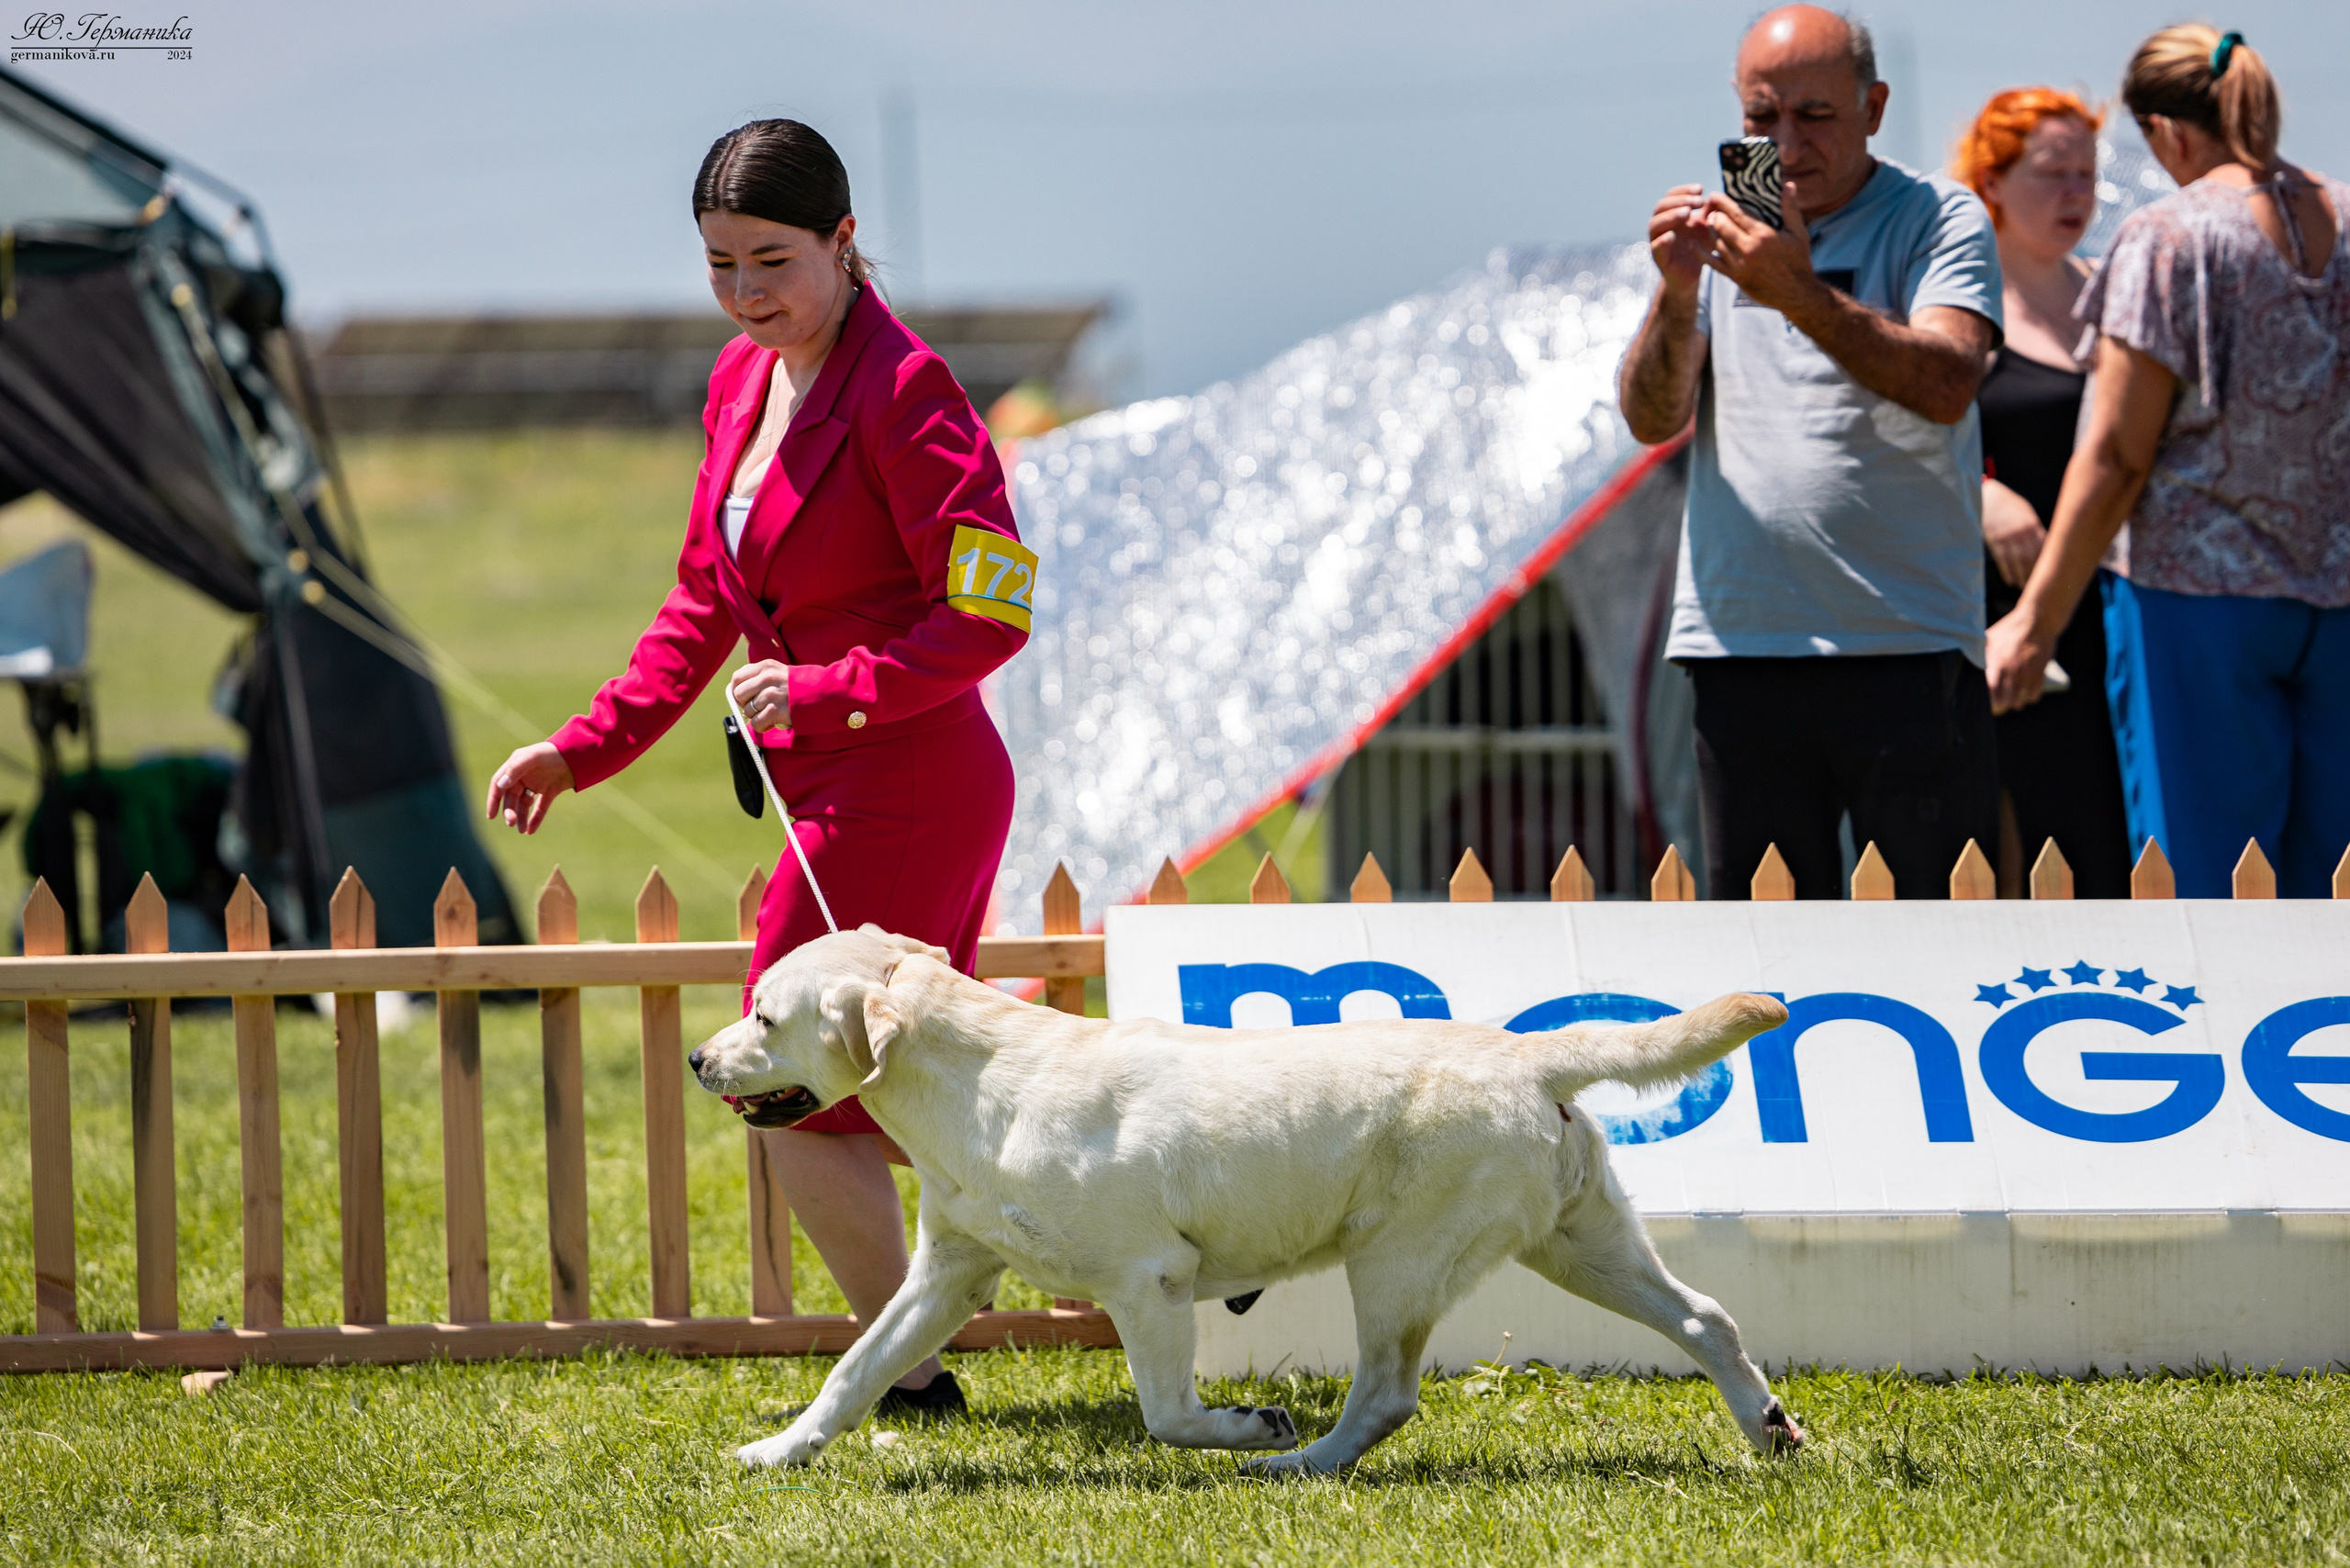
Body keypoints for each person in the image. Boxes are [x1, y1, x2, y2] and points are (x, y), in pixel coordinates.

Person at [485, 119, 1035, 1412]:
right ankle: (1147, 1248)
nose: (744, 295)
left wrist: (832, 693)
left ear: (846, 243)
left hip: (909, 778)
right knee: (903, 1085)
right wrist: (580, 750)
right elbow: (700, 604)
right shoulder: (739, 383)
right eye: (720, 265)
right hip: (833, 781)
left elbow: (992, 613)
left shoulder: (912, 391)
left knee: (786, 1074)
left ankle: (911, 1377)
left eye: (771, 261)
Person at [1619, 4, 2003, 901]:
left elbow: (1947, 382)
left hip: (1905, 643)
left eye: (1815, 116)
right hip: (1740, 643)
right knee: (1762, 965)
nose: (1785, 146)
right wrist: (1676, 297)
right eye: (1760, 119)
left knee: (1932, 940)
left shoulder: (1936, 216)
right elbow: (1651, 418)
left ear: (1873, 108)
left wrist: (1795, 292)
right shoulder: (1718, 239)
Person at [1986, 27, 2350, 898]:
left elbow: (2115, 453)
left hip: (2194, 605)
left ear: (2170, 132)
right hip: (2338, 601)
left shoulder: (2167, 237)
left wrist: (2036, 620)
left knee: (2205, 895)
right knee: (2333, 893)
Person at [1953, 88, 2132, 897]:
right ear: (1990, 182)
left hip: (2119, 601)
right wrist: (1982, 492)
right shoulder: (1960, 305)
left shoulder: (2115, 292)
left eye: (2088, 175)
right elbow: (1896, 439)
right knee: (2015, 852)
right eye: (2052, 173)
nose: (2075, 195)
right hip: (2009, 622)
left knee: (2119, 841)